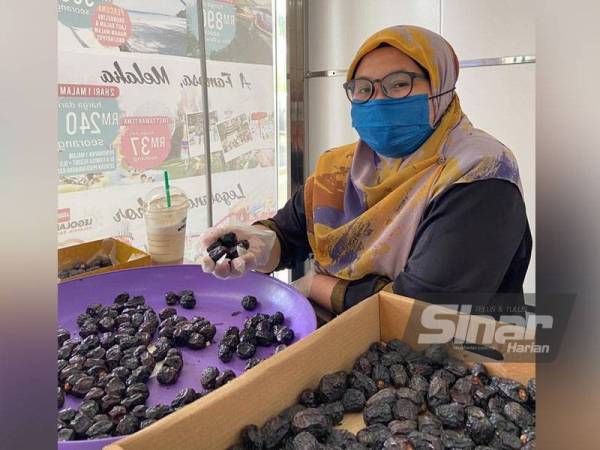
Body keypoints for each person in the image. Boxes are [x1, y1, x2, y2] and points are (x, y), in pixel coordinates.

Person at [199, 25, 532, 316]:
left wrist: (316, 286)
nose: (378, 100)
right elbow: (289, 234)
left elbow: (424, 308)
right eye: (363, 89)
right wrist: (259, 242)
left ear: (442, 88)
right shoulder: (341, 168)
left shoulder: (481, 173)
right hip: (343, 346)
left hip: (447, 365)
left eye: (399, 84)